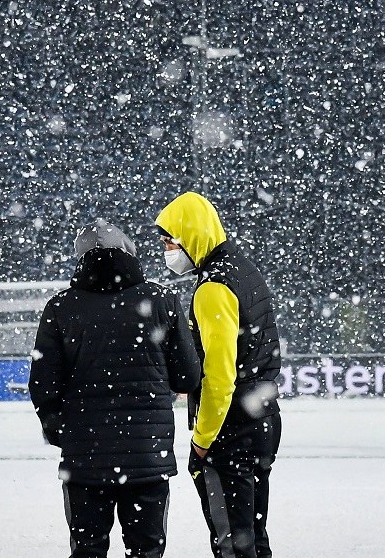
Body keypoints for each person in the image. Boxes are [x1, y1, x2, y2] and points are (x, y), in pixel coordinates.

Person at [30, 219, 199, 558]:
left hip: (84, 458)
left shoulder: (61, 307)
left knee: (88, 549)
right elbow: (187, 377)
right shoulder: (161, 300)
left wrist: (63, 432)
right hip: (147, 457)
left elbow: (43, 385)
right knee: (146, 550)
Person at [155, 192, 282, 558]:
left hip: (231, 429)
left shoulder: (212, 287)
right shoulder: (245, 270)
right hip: (263, 416)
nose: (167, 251)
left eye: (170, 241)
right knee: (254, 537)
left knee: (232, 542)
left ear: (191, 236)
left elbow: (220, 375)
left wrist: (203, 439)